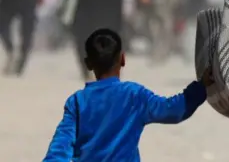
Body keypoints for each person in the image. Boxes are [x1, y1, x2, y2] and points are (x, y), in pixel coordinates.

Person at [43, 28, 213, 161]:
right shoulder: (134, 95)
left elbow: (60, 148)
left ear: (88, 64)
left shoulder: (78, 102)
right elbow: (173, 110)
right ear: (123, 59)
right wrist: (200, 88)